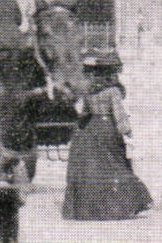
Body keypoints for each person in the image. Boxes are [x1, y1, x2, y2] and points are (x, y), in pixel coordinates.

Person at [62, 56, 152, 221]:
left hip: (91, 128)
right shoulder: (113, 90)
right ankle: (118, 206)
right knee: (115, 164)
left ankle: (91, 209)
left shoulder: (89, 89)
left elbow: (85, 113)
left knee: (94, 168)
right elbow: (118, 113)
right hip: (107, 127)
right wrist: (127, 130)